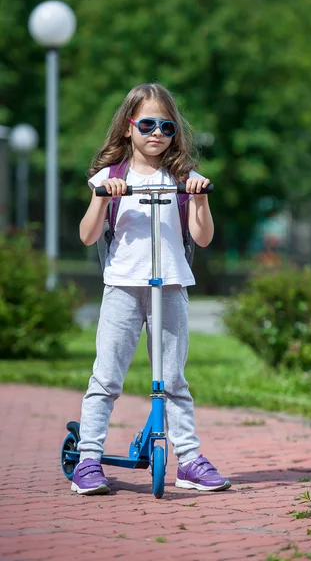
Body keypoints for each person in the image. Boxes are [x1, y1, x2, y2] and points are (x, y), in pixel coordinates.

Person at [72, 83, 231, 495]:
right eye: (147, 124)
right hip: (123, 287)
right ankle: (88, 459)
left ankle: (189, 459)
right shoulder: (110, 177)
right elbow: (88, 236)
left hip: (171, 286)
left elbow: (204, 236)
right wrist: (104, 198)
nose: (156, 133)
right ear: (129, 127)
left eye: (167, 126)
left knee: (173, 379)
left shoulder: (183, 178)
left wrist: (199, 198)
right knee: (106, 377)